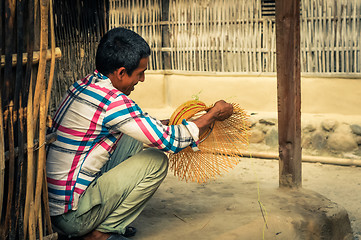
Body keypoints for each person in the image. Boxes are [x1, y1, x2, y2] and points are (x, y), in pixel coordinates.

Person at [47, 27, 233, 240]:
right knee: (156, 161)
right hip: (71, 216)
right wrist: (213, 115)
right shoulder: (112, 101)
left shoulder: (84, 85)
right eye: (140, 73)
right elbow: (170, 142)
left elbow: (141, 125)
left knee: (132, 136)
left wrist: (175, 122)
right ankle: (100, 233)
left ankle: (98, 224)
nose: (142, 79)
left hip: (58, 204)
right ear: (121, 73)